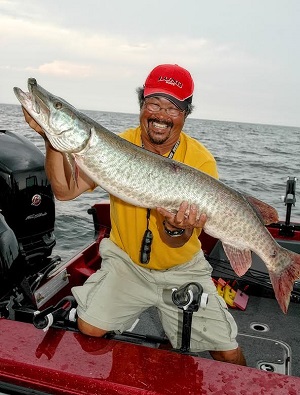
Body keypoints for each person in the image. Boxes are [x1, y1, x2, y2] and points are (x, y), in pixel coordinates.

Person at [23, 63, 246, 366]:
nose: (161, 115)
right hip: (125, 262)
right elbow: (64, 191)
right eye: (154, 103)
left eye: (173, 108)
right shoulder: (111, 144)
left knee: (227, 351)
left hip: (181, 267)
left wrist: (175, 226)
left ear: (185, 114)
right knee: (89, 327)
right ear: (142, 105)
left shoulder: (200, 160)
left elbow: (178, 240)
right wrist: (51, 138)